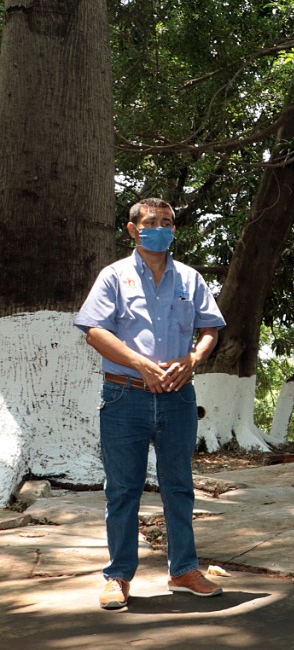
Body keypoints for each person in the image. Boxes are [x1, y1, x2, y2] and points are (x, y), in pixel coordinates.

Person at [75, 198, 227, 610]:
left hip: (179, 398)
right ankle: (118, 576)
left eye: (166, 222)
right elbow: (94, 331)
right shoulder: (114, 276)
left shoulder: (190, 279)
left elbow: (211, 328)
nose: (158, 227)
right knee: (123, 489)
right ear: (132, 229)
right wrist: (141, 364)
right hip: (125, 395)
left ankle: (183, 569)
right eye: (149, 222)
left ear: (175, 231)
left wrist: (193, 359)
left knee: (179, 486)